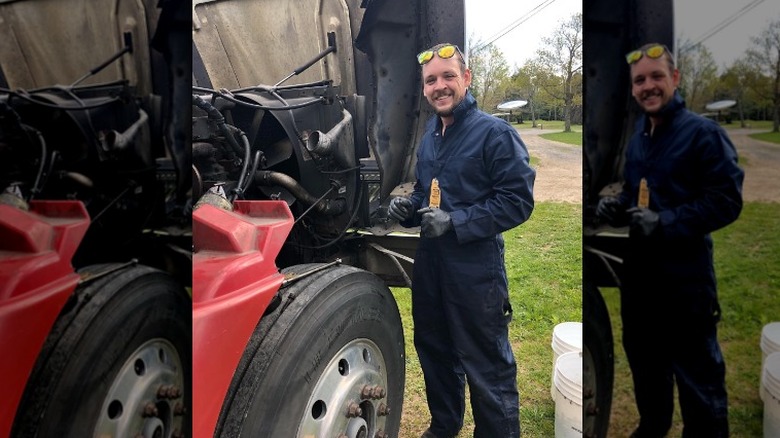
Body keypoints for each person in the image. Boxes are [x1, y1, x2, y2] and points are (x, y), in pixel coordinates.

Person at [596, 43, 744, 437]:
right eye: (640, 80)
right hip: (640, 284)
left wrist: (665, 221)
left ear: (674, 79)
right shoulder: (640, 138)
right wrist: (616, 205)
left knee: (700, 389)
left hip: (685, 286)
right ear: (632, 89)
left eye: (656, 76)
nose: (649, 86)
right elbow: (637, 191)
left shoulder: (703, 135)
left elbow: (727, 201)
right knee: (648, 377)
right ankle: (652, 427)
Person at [388, 43, 535, 438]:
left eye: (448, 76)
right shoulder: (430, 138)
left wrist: (456, 221)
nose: (440, 86)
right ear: (424, 89)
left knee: (485, 363)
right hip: (432, 266)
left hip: (475, 271)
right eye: (431, 80)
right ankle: (444, 425)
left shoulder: (495, 134)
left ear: (466, 78)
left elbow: (517, 202)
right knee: (435, 351)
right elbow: (426, 191)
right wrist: (407, 208)